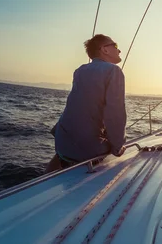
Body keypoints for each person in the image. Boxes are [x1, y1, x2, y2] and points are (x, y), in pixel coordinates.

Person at [45, 34, 127, 173]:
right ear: (104, 50)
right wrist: (118, 146)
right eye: (116, 46)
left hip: (61, 142)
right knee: (112, 146)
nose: (119, 50)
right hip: (88, 149)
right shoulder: (114, 71)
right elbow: (115, 112)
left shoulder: (80, 70)